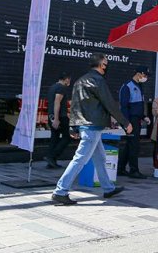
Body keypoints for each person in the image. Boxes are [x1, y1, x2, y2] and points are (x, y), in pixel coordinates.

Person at [51, 53, 131, 205]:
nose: (107, 66)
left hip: (86, 125)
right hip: (92, 126)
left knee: (100, 158)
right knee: (80, 159)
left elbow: (74, 105)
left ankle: (108, 188)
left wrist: (73, 126)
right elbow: (109, 103)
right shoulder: (98, 80)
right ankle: (60, 191)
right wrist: (125, 122)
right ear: (102, 65)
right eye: (106, 63)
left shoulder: (79, 81)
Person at [118, 66, 151, 179]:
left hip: (136, 119)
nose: (145, 77)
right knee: (134, 145)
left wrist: (143, 116)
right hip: (131, 120)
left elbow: (138, 105)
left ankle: (120, 168)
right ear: (139, 74)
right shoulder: (128, 86)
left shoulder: (139, 86)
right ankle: (133, 170)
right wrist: (127, 123)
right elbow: (124, 107)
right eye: (145, 75)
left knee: (130, 144)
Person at [45, 72, 71, 169]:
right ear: (67, 79)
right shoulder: (61, 88)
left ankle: (51, 162)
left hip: (51, 116)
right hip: (60, 116)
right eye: (69, 80)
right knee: (66, 137)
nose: (69, 82)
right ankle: (51, 157)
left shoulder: (52, 87)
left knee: (54, 137)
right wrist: (56, 118)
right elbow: (57, 102)